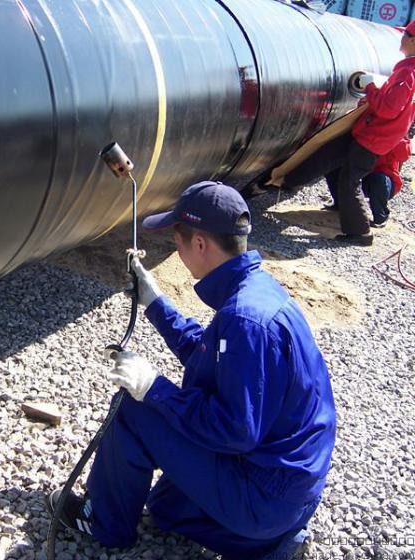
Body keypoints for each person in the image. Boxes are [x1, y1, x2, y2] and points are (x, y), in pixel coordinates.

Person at [47, 181, 336, 559]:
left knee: (133, 408)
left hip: (265, 495)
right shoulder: (257, 292)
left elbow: (234, 431)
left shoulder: (244, 321)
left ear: (200, 243)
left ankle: (103, 522)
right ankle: (272, 543)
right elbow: (210, 358)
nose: (177, 250)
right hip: (287, 486)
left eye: (178, 241)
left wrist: (152, 388)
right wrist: (154, 301)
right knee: (164, 508)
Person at [275, 22, 415, 246]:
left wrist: (370, 88)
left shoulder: (407, 73)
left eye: (406, 34)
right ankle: (287, 180)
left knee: (350, 180)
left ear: (413, 40)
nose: (402, 37)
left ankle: (360, 233)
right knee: (330, 157)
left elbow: (389, 109)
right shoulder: (408, 71)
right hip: (373, 134)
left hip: (374, 137)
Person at [324, 136, 411, 227]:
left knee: (378, 179)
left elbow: (404, 154)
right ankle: (341, 204)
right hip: (359, 175)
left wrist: (388, 136)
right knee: (333, 170)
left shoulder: (395, 132)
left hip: (382, 179)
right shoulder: (364, 128)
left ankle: (380, 217)